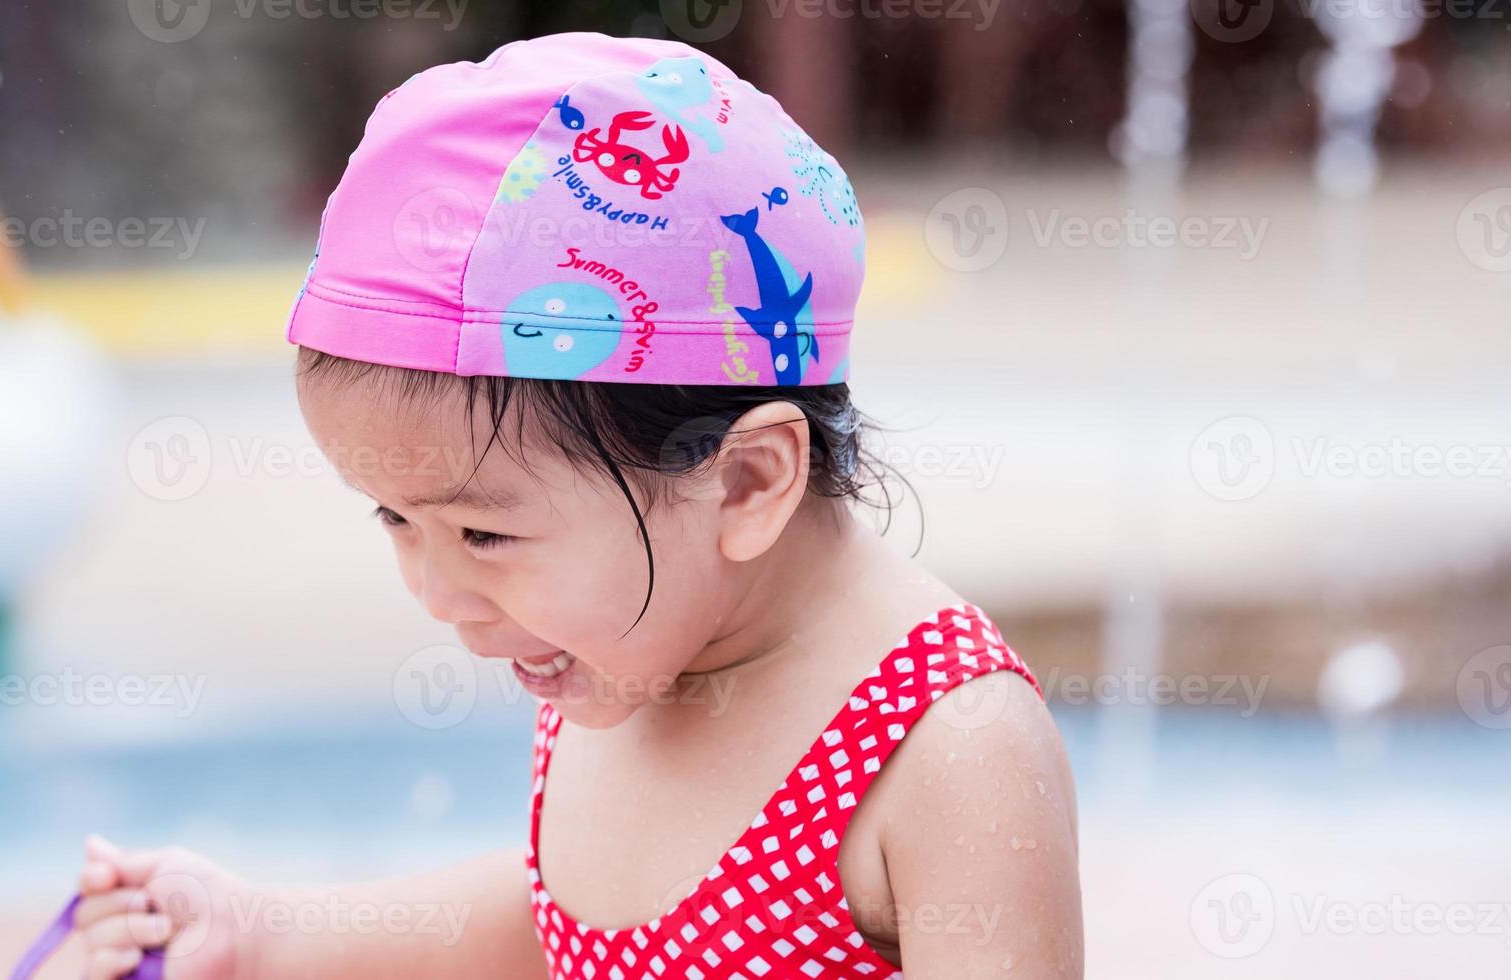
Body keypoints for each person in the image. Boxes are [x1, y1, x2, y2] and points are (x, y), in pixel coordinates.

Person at [71, 31, 1081, 980]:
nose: (436, 590)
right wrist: (267, 934)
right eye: (394, 518)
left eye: (484, 531)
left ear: (744, 481)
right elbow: (578, 914)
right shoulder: (632, 631)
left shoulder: (946, 748)